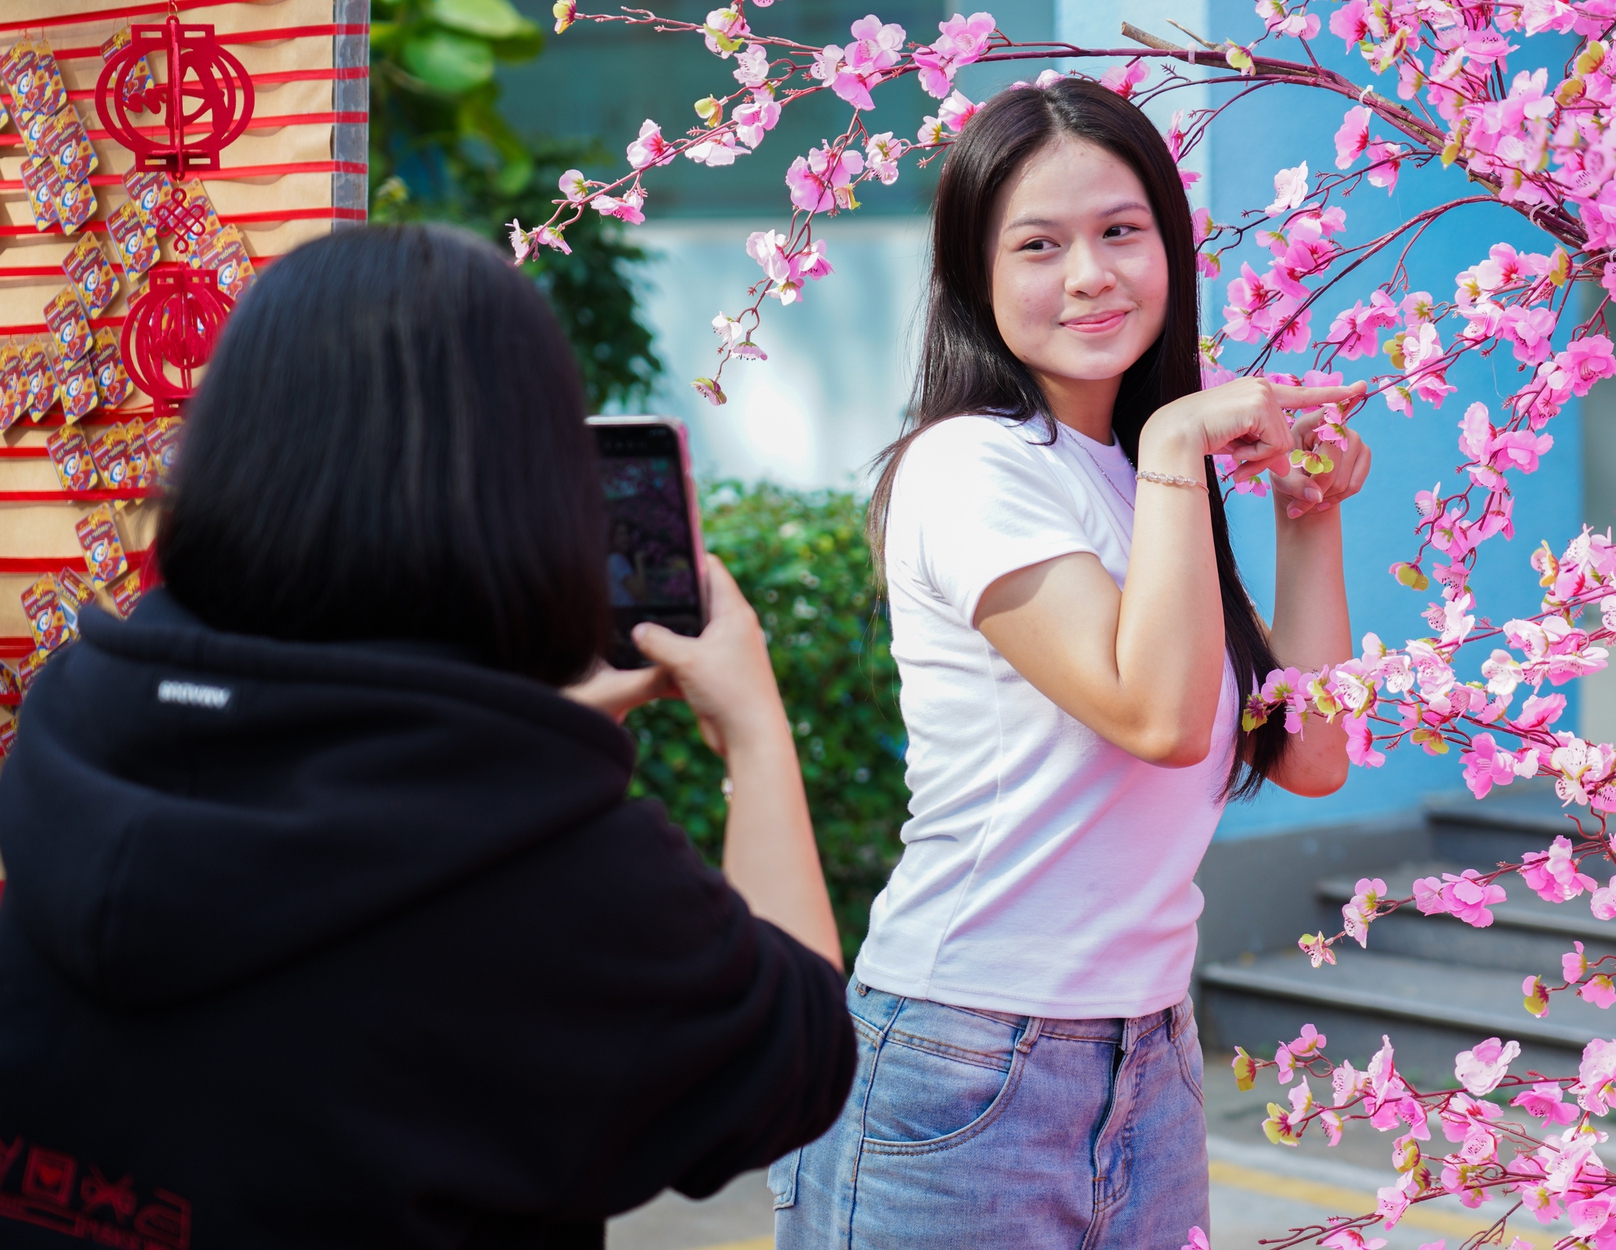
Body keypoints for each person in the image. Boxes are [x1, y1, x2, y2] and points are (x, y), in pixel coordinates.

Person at [0, 224, 855, 1249]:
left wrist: (512, 751)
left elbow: (315, 798)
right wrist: (752, 727)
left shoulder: (78, 729)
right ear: (532, 491)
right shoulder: (565, 877)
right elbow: (791, 1057)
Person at [773, 79, 1373, 1249]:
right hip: (962, 1058)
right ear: (974, 277)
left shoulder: (1130, 471)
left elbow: (1309, 752)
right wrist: (1170, 445)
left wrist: (1307, 519)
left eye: (1119, 232)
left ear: (1168, 248)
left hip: (1149, 1049)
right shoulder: (969, 468)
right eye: (1038, 245)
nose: (1089, 274)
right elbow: (1153, 717)